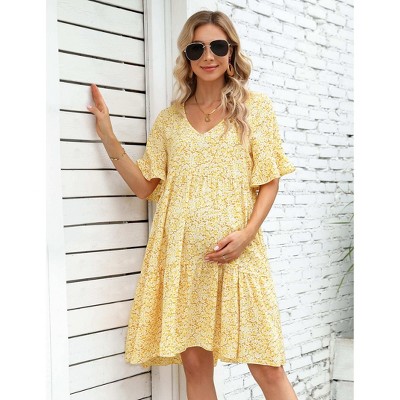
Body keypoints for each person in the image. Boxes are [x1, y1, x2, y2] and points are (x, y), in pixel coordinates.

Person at [87, 10, 298, 400]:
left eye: (217, 46)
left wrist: (247, 234)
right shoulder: (169, 121)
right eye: (197, 48)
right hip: (185, 259)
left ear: (231, 52)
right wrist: (108, 135)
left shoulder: (255, 109)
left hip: (239, 254)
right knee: (197, 368)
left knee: (268, 366)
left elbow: (269, 180)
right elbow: (145, 187)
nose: (208, 56)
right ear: (186, 56)